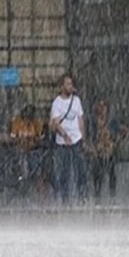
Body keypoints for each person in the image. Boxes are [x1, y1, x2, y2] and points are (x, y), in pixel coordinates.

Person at [50, 74, 86, 205]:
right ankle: (65, 199)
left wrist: (83, 138)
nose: (70, 87)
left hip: (76, 139)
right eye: (67, 84)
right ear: (62, 86)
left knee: (80, 169)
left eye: (71, 84)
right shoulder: (57, 103)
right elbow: (55, 122)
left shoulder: (77, 101)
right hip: (63, 142)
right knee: (63, 171)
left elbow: (80, 119)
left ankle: (82, 196)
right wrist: (65, 135)